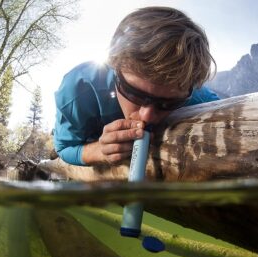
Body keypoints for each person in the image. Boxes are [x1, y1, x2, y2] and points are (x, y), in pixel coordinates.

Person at [54, 6, 219, 166]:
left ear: (190, 89)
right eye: (134, 94)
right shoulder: (79, 89)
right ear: (114, 66)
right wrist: (99, 151)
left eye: (168, 104)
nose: (147, 116)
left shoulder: (201, 100)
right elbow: (64, 148)